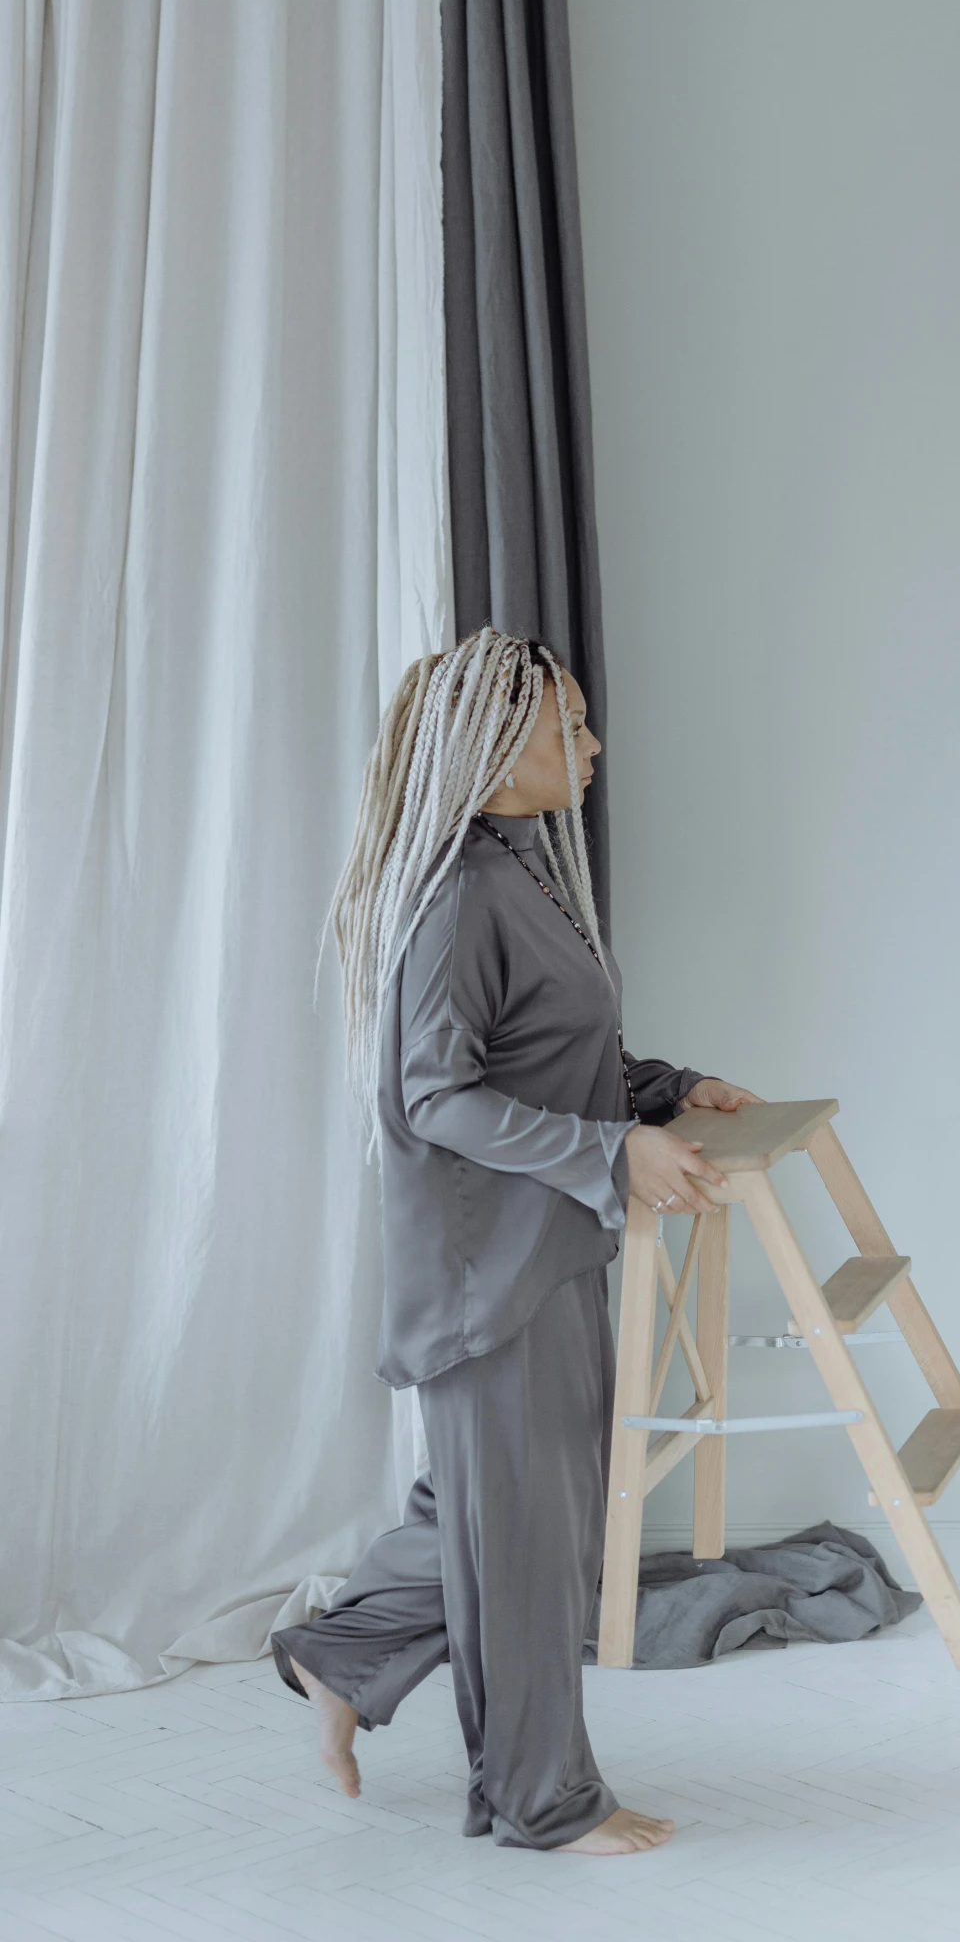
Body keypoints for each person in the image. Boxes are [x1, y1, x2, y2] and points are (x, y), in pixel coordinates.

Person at [271, 628, 756, 1855]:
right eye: (569, 727)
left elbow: (546, 1053)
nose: (592, 744)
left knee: (493, 1512)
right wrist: (613, 1154)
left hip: (545, 1249)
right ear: (494, 759)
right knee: (530, 1538)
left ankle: (343, 1658)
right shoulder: (459, 895)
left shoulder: (522, 866)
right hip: (491, 1268)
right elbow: (435, 1096)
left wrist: (663, 1087)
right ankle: (541, 1798)